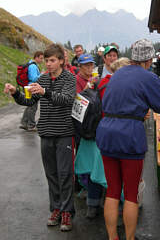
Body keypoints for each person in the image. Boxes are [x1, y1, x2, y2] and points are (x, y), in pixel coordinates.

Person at [96, 38, 160, 240]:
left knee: (112, 191)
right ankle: (129, 238)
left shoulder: (117, 74)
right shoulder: (148, 77)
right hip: (129, 137)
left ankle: (112, 237)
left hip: (107, 133)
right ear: (150, 59)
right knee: (131, 194)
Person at [4, 43, 76, 232]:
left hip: (64, 133)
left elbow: (67, 99)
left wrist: (46, 92)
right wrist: (15, 92)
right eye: (46, 61)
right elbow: (29, 101)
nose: (48, 64)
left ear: (61, 61)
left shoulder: (69, 78)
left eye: (52, 60)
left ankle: (67, 211)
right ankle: (56, 209)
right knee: (51, 174)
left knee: (65, 174)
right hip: (46, 133)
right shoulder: (42, 79)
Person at [75, 57, 131, 220]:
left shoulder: (97, 82)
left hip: (94, 136)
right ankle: (120, 210)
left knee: (94, 171)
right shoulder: (122, 86)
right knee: (115, 174)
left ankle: (92, 206)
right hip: (114, 135)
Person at [20, 51, 44, 131]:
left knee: (29, 105)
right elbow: (34, 78)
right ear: (36, 57)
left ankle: (24, 123)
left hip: (28, 87)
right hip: (32, 88)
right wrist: (42, 74)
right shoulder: (33, 66)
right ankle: (31, 125)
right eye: (41, 58)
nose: (42, 60)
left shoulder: (30, 64)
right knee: (33, 107)